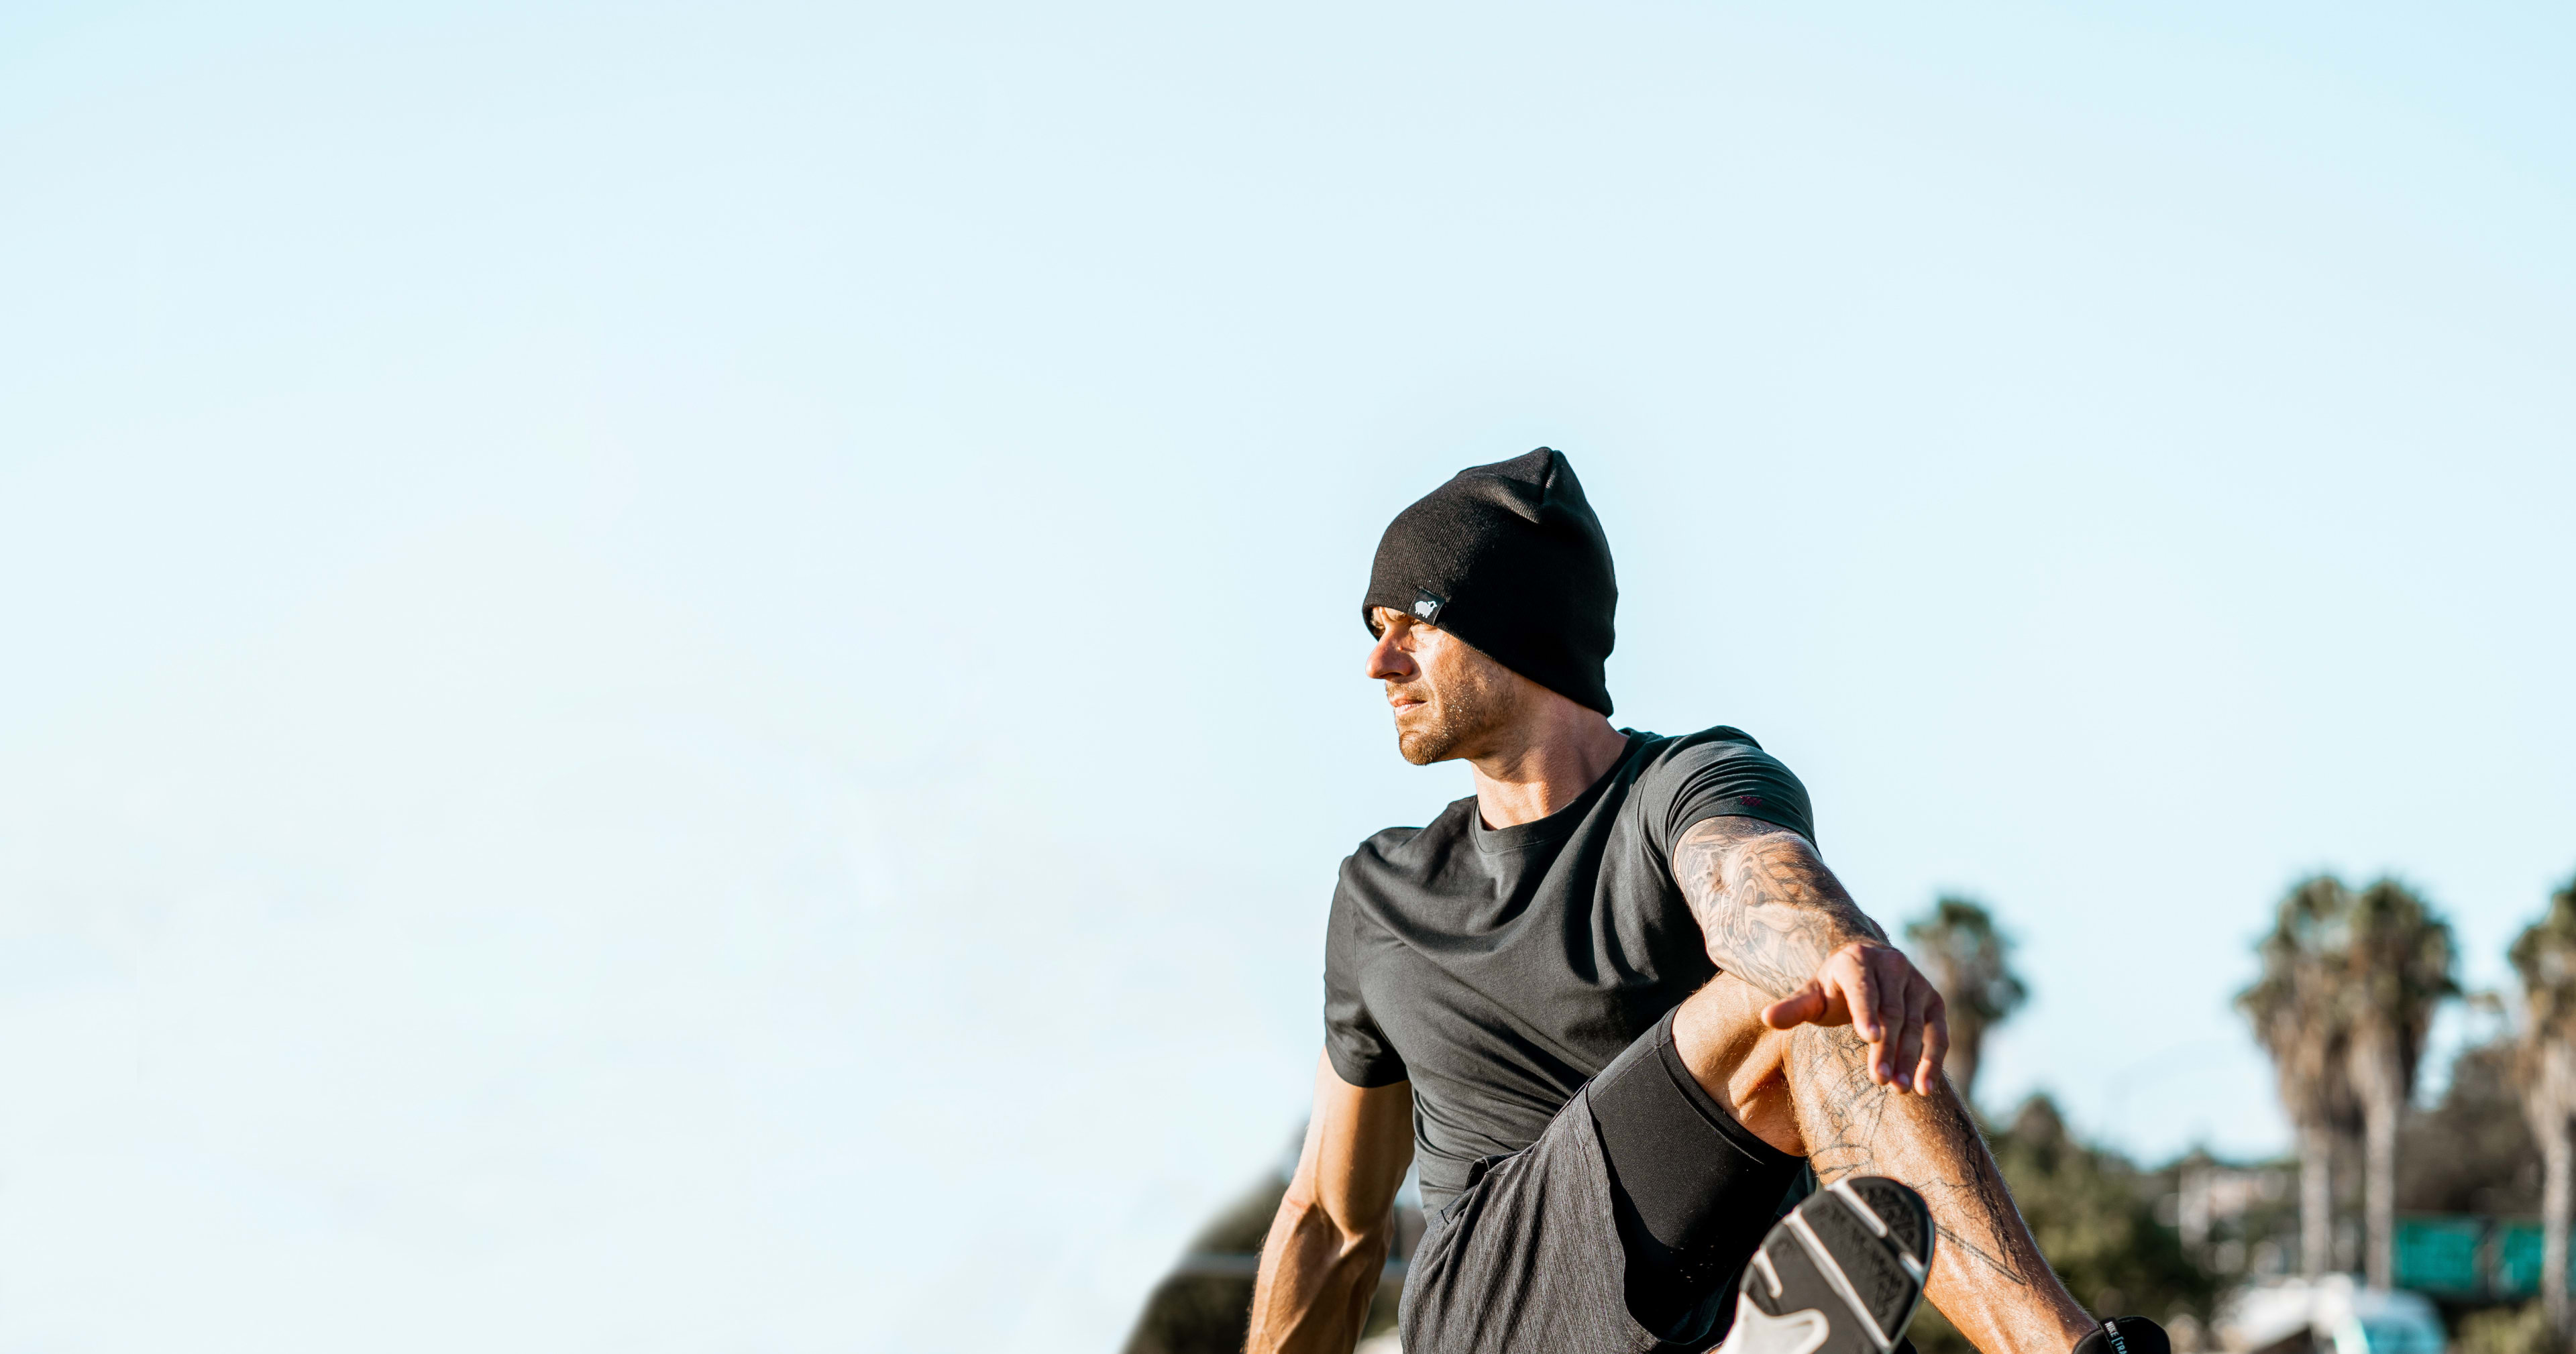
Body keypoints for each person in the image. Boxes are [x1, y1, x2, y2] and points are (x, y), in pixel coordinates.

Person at [1244, 451, 2171, 1354]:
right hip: (1494, 1311)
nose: (1380, 662)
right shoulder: (1382, 894)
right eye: (1376, 628)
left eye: (1414, 623)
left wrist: (1831, 942)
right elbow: (1329, 1219)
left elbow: (1745, 871)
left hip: (1690, 1300)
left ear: (1512, 626)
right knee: (1799, 996)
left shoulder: (1686, 784)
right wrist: (1832, 958)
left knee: (1810, 987)